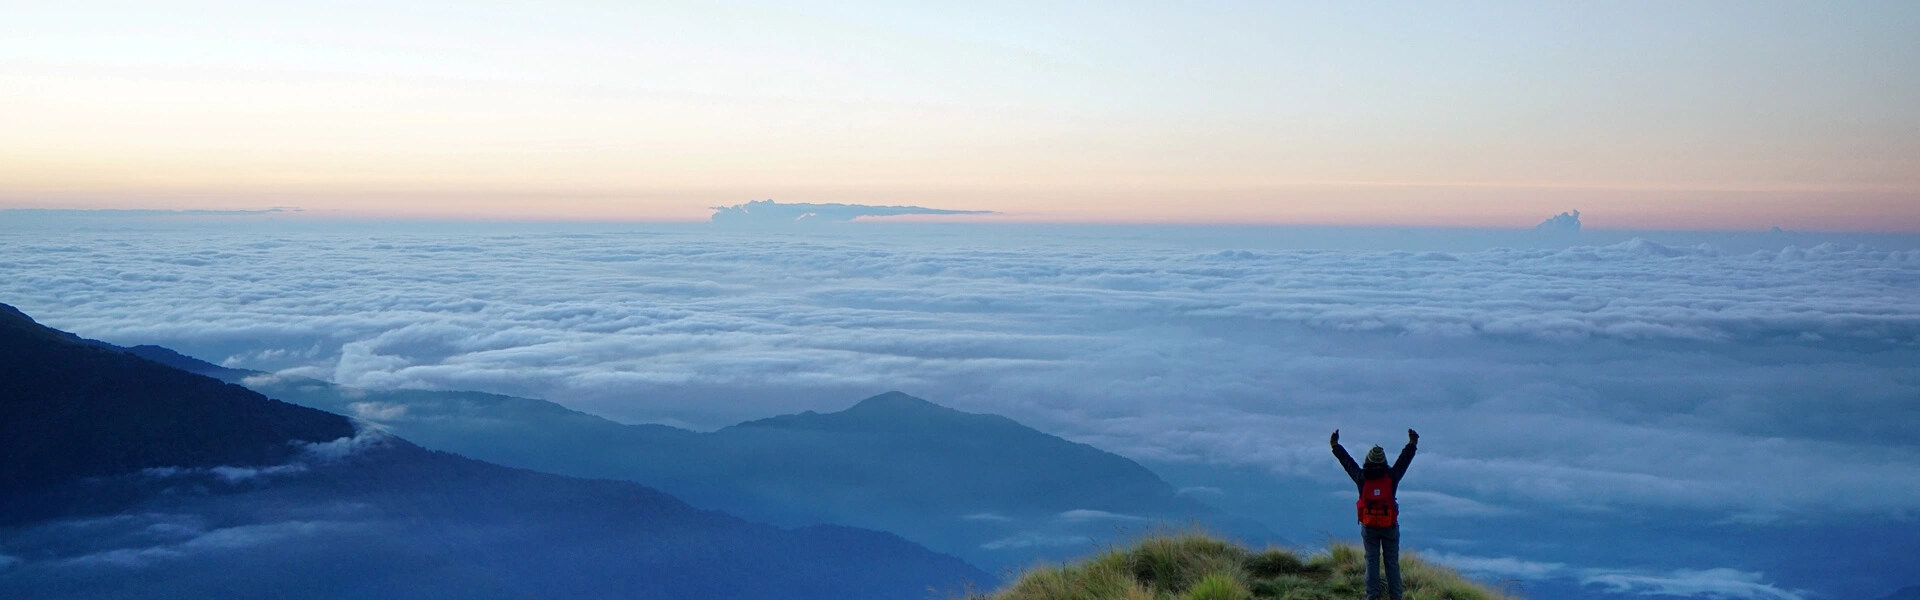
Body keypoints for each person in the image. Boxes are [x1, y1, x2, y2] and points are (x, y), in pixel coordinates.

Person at [1331, 428, 1418, 600]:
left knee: (1372, 561)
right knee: (1392, 562)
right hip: (1389, 526)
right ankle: (1396, 596)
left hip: (1369, 525)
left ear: (1368, 460)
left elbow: (1347, 462)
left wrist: (1335, 445)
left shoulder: (1361, 477)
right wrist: (1412, 443)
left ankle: (1372, 596)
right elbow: (1404, 460)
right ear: (1384, 460)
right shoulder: (1392, 476)